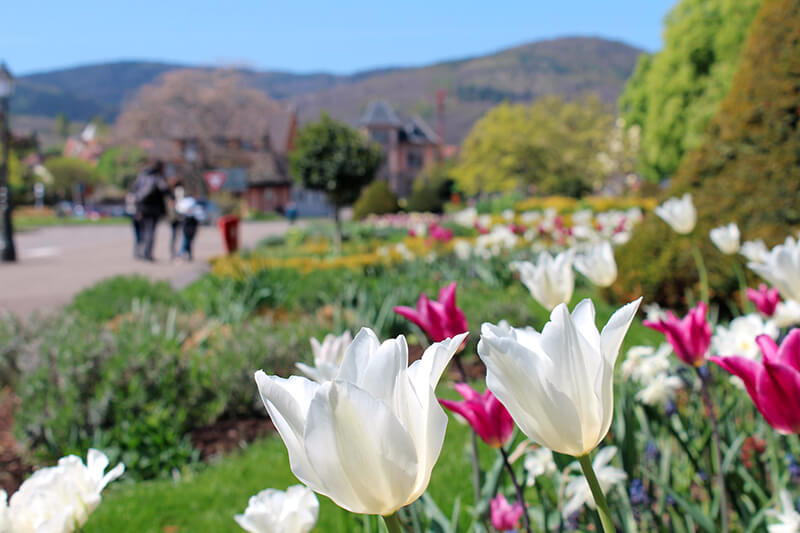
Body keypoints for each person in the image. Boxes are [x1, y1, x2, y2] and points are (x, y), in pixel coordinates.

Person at [132, 161, 171, 261]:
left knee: (142, 230)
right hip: (153, 209)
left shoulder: (142, 176)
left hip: (141, 207)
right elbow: (165, 189)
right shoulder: (157, 177)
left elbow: (134, 189)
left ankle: (138, 251)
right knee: (150, 231)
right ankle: (147, 253)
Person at [175, 197, 203, 261]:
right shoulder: (191, 216)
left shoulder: (191, 216)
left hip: (188, 232)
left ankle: (181, 255)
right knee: (187, 243)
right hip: (188, 231)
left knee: (185, 243)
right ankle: (188, 255)